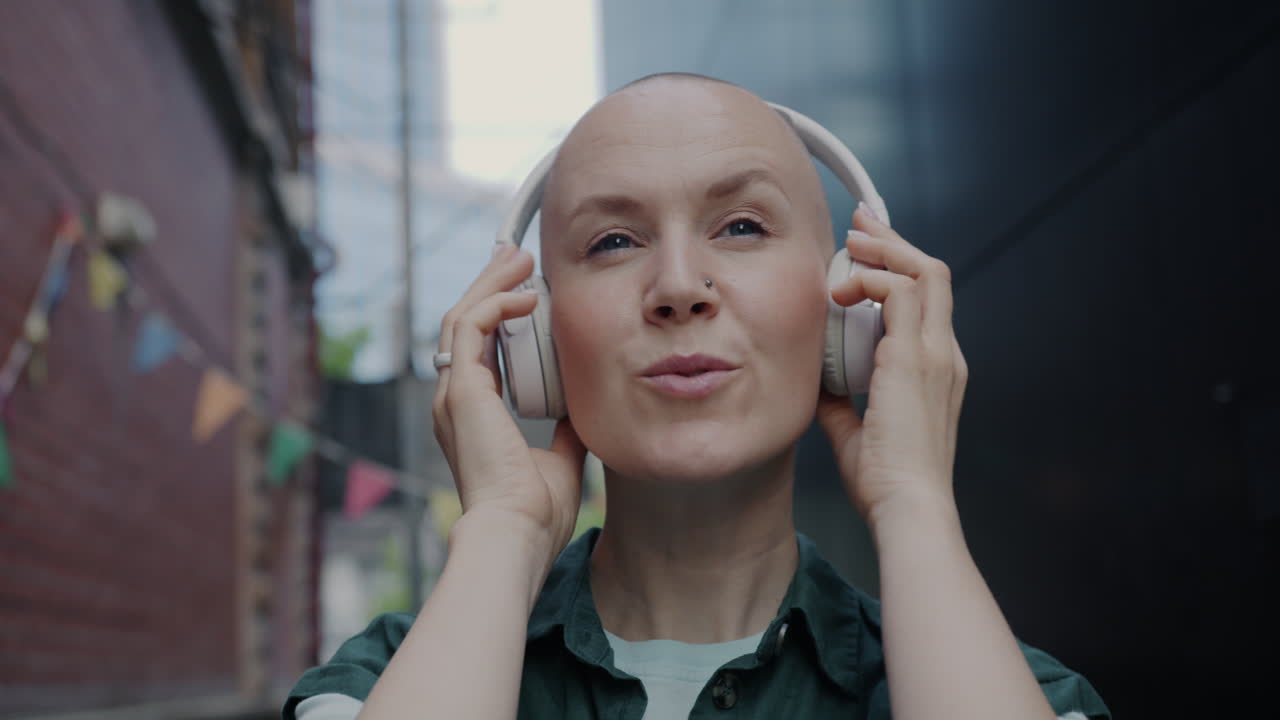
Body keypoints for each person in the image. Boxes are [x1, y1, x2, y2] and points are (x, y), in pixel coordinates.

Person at [284, 73, 1110, 720]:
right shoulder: (379, 685)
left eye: (742, 226)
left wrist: (914, 503)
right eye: (613, 241)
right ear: (531, 335)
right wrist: (502, 529)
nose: (679, 287)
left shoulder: (1020, 695)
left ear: (847, 307)